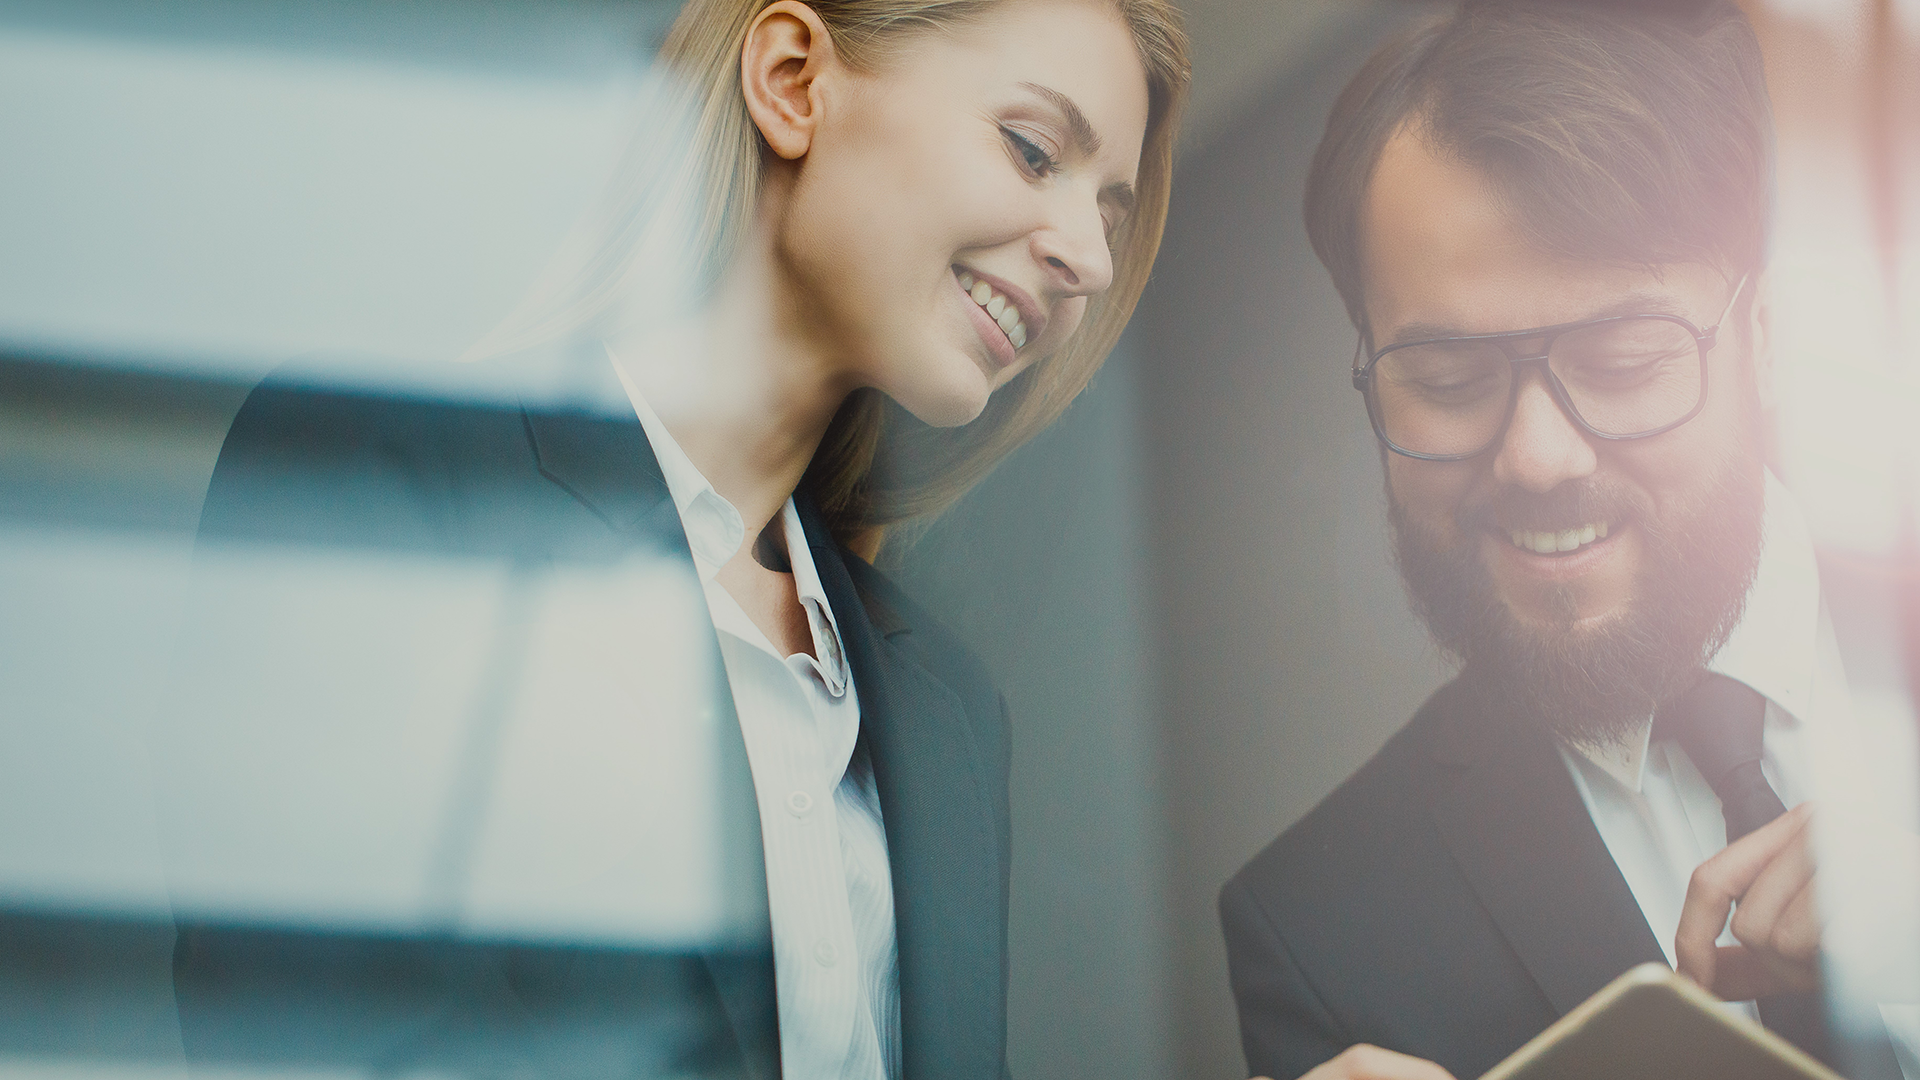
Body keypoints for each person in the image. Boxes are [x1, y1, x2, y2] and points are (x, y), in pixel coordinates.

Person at [173, 2, 1189, 1079]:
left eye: (1110, 218)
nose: (1085, 256)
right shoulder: (390, 488)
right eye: (1034, 151)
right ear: (793, 80)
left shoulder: (948, 713)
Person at [1218, 3, 1918, 1079]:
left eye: (1625, 361)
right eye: (1447, 380)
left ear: (1768, 334)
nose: (1539, 459)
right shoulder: (1318, 929)